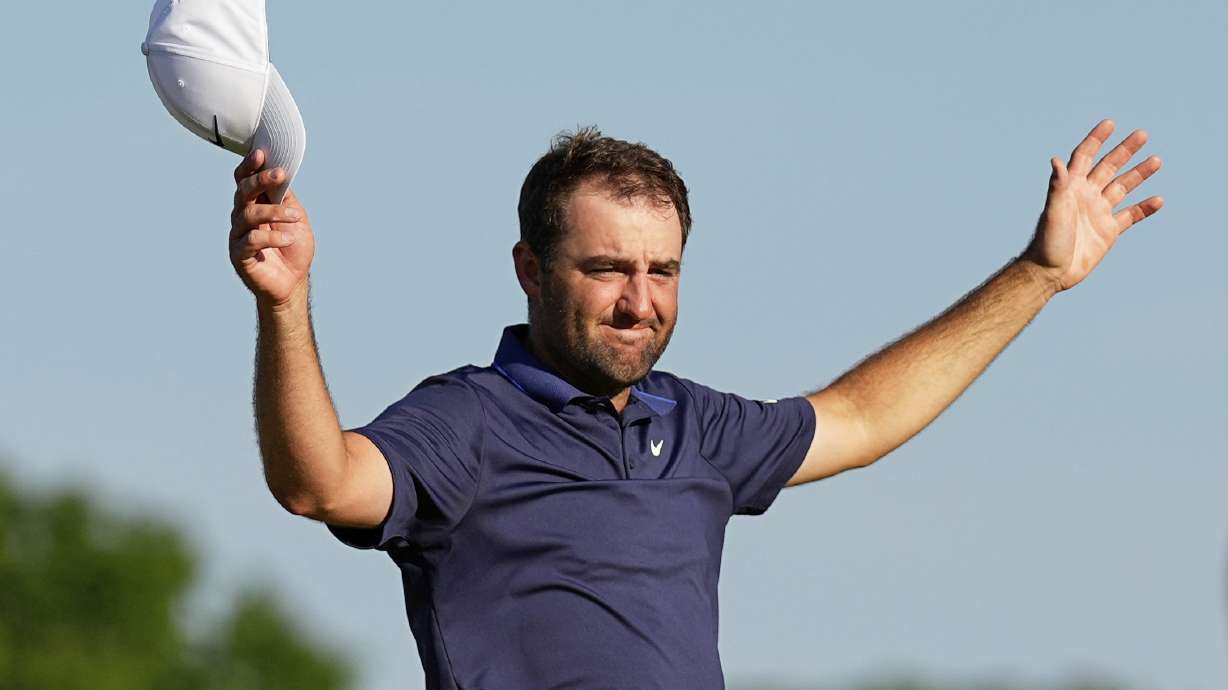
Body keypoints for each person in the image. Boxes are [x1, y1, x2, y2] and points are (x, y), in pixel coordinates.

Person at [227, 121, 1163, 689]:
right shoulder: (469, 420)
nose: (641, 302)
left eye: (662, 270)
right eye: (607, 270)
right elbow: (321, 483)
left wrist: (1038, 276)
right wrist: (286, 303)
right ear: (529, 270)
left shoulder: (697, 427)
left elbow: (865, 417)